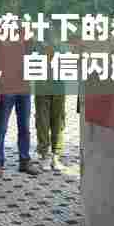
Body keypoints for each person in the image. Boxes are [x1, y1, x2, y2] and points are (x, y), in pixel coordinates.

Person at [0, 0, 40, 179]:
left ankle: (25, 161)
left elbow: (31, 53)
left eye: (15, 1)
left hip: (23, 86)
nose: (12, 4)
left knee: (24, 126)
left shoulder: (25, 27)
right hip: (4, 86)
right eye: (8, 1)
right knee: (1, 127)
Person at [34, 20, 66, 172]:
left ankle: (56, 156)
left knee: (58, 122)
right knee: (42, 122)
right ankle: (44, 155)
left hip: (58, 88)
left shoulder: (62, 46)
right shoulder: (38, 46)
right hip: (42, 88)